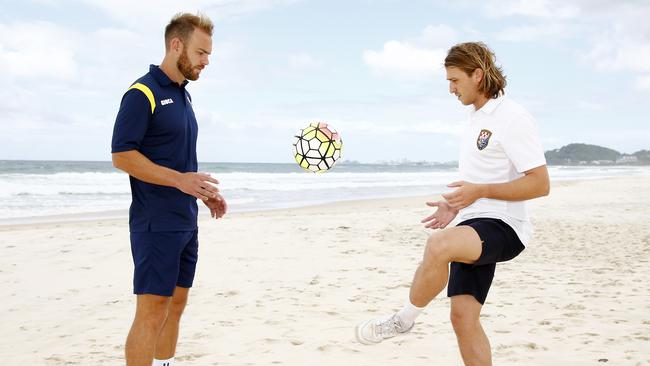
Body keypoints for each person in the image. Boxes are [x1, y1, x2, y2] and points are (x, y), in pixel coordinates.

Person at [355, 42, 550, 365]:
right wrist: (458, 205)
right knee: (462, 317)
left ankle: (403, 320)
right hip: (473, 224)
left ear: (478, 74)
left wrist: (479, 191)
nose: (450, 89)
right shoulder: (476, 118)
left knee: (438, 245)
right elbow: (481, 179)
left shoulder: (512, 117)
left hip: (504, 227)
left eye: (455, 80)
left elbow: (540, 183)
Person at [111, 12, 227, 366]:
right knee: (152, 309)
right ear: (176, 45)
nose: (207, 61)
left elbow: (179, 162)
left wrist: (203, 192)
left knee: (176, 304)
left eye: (208, 54)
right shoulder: (142, 92)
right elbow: (121, 155)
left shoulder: (183, 97)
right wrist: (180, 181)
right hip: (154, 223)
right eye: (201, 52)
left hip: (184, 221)